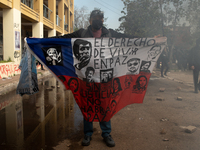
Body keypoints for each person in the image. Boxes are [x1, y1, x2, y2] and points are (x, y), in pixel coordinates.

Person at [51, 9, 135, 147]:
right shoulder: (82, 34)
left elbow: (128, 38)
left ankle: (106, 133)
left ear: (103, 20)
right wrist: (40, 40)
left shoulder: (110, 34)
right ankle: (87, 134)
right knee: (87, 104)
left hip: (105, 79)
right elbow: (63, 38)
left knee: (105, 105)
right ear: (90, 20)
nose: (98, 20)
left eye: (101, 18)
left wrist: (149, 40)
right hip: (86, 78)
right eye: (95, 18)